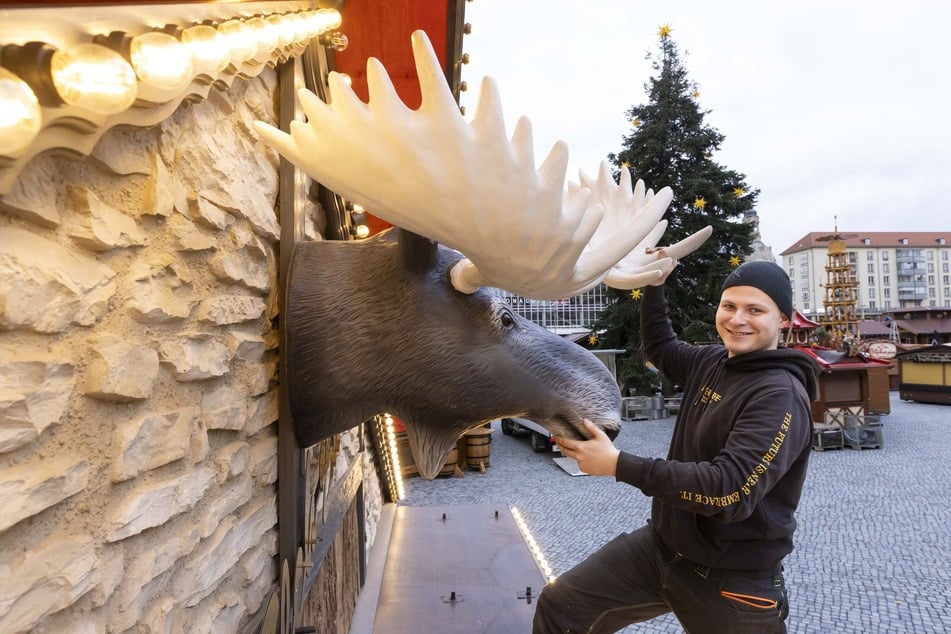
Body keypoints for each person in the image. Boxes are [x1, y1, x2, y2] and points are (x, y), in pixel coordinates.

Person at [535, 260, 820, 634]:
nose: (737, 320)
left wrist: (617, 464)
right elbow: (661, 347)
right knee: (561, 606)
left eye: (755, 310)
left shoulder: (779, 394)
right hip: (661, 549)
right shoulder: (712, 360)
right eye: (729, 306)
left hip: (731, 580)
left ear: (783, 319)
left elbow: (729, 491)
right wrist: (655, 284)